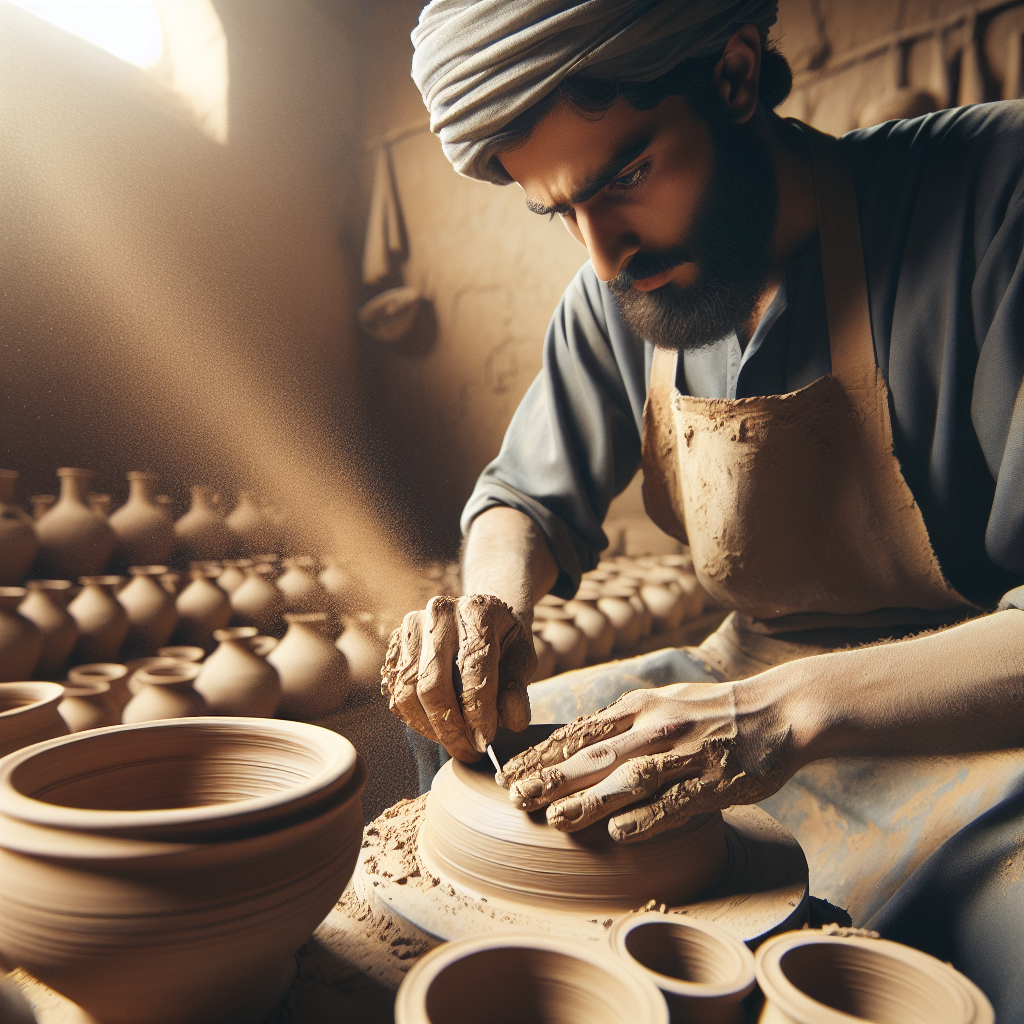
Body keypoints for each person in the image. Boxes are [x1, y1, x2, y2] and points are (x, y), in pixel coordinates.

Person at [381, 1, 1024, 1012]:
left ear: (731, 75)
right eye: (561, 213)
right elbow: (519, 499)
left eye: (625, 177)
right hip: (748, 675)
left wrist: (780, 715)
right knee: (461, 763)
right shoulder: (616, 297)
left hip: (979, 705)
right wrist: (490, 608)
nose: (603, 255)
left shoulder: (994, 192)